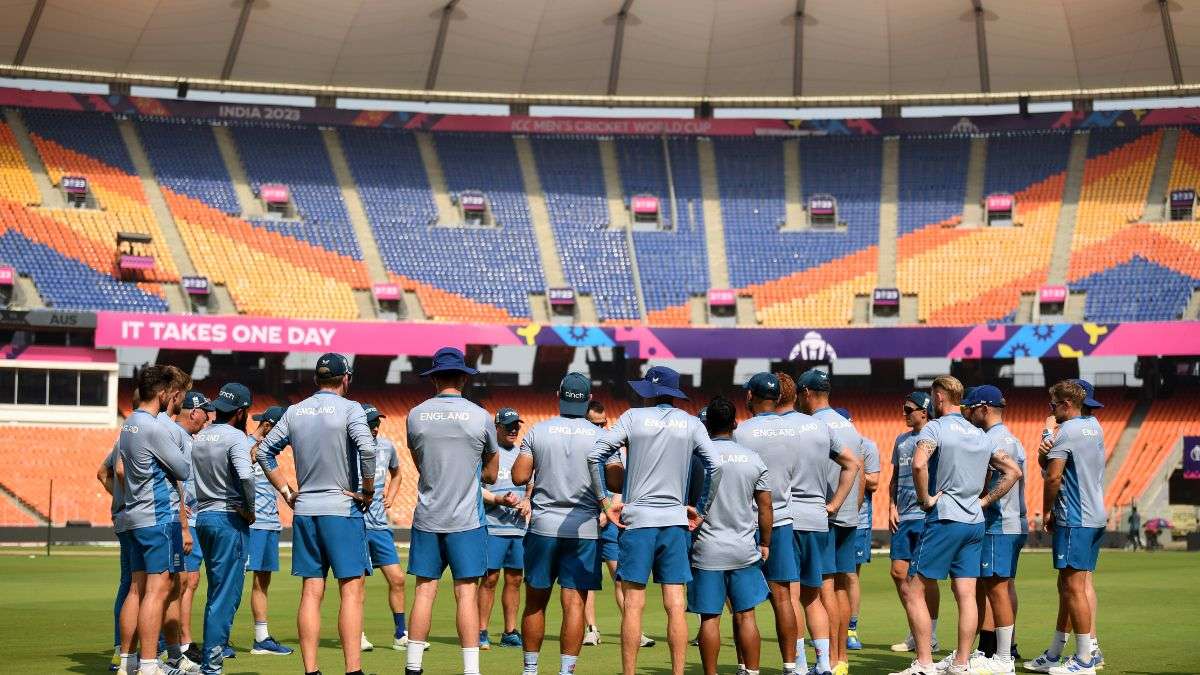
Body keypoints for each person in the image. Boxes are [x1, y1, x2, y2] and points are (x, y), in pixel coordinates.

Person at [587, 365, 720, 675]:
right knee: (675, 603)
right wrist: (700, 510)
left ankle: (629, 673)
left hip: (637, 521)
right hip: (674, 521)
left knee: (633, 604)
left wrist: (605, 502)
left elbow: (595, 455)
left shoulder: (632, 417)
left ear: (648, 391)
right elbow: (715, 466)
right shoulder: (690, 423)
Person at [889, 375, 1021, 675]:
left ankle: (924, 663)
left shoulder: (935, 427)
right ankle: (961, 663)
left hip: (945, 517)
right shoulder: (980, 434)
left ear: (938, 397)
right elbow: (1012, 471)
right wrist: (984, 501)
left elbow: (919, 463)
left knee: (913, 588)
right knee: (966, 593)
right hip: (974, 522)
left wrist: (924, 499)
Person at [257, 353, 377, 675]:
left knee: (311, 591)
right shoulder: (351, 409)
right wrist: (367, 490)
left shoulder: (295, 411)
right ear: (346, 379)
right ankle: (353, 671)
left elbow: (264, 451)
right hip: (342, 509)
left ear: (316, 380)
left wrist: (286, 492)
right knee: (351, 590)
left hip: (306, 510)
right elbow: (368, 449)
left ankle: (311, 671)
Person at [403, 347, 499, 675]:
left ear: (433, 379)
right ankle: (471, 670)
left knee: (424, 592)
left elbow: (419, 463)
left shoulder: (416, 415)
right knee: (466, 594)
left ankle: (413, 666)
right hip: (467, 520)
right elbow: (491, 474)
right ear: (462, 378)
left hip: (428, 515)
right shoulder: (480, 416)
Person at [511, 372, 604, 675]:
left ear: (558, 396)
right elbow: (617, 479)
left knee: (535, 602)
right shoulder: (601, 436)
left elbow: (519, 477)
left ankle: (530, 669)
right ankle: (566, 671)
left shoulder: (539, 431)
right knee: (574, 604)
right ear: (589, 400)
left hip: (543, 527)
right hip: (584, 529)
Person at [1024, 380, 1108, 675]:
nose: (1051, 410)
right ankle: (1061, 651)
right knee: (1074, 585)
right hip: (1095, 515)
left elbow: (1052, 477)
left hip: (1074, 516)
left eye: (1053, 405)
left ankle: (1085, 660)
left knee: (1073, 587)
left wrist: (1047, 511)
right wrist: (1050, 436)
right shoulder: (1094, 426)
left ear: (1066, 405)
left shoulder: (1067, 432)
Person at [115, 366, 192, 675]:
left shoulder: (129, 423)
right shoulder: (154, 427)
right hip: (158, 516)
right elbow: (183, 469)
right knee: (157, 591)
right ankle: (149, 665)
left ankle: (128, 661)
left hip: (134, 513)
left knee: (136, 589)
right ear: (163, 393)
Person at [688, 396, 772, 675]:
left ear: (707, 424)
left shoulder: (698, 458)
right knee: (746, 614)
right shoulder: (753, 458)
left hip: (707, 548)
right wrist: (765, 542)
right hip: (743, 548)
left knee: (710, 618)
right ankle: (753, 671)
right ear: (735, 423)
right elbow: (765, 506)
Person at [730, 373, 801, 673]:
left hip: (746, 521)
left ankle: (746, 665)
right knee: (783, 597)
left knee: (741, 603)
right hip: (782, 517)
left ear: (751, 397)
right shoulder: (794, 431)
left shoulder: (742, 432)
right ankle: (790, 665)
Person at [796, 368, 863, 675]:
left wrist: (832, 504)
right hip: (849, 515)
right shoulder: (849, 426)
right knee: (840, 587)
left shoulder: (812, 426)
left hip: (824, 514)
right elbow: (858, 468)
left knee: (823, 589)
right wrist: (851, 505)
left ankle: (832, 660)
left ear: (807, 393)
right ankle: (842, 661)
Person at [191, 382, 256, 675]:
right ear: (241, 412)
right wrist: (250, 510)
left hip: (204, 517)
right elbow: (246, 476)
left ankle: (210, 658)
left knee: (216, 591)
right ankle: (212, 665)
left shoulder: (202, 436)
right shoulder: (236, 438)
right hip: (229, 518)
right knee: (226, 594)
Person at [963, 385, 1027, 674]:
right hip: (1013, 522)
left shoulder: (992, 440)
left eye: (972, 408)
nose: (968, 413)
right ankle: (1001, 649)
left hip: (999, 523)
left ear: (984, 409)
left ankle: (1002, 657)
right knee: (1003, 585)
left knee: (996, 587)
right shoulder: (1011, 438)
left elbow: (1011, 475)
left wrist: (984, 501)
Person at [582, 400, 656, 650]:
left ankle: (633, 628)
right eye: (595, 424)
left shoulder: (612, 447)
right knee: (586, 578)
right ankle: (591, 629)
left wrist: (607, 509)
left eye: (604, 424)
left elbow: (621, 485)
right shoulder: (580, 444)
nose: (601, 428)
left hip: (611, 518)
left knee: (621, 577)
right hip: (584, 519)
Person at [887, 392, 942, 654]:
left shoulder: (934, 437)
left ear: (924, 411)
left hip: (925, 516)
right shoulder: (901, 440)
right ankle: (916, 629)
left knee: (925, 578)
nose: (904, 413)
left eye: (909, 410)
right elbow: (895, 477)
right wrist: (891, 506)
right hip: (903, 516)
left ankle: (928, 635)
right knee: (898, 573)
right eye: (903, 409)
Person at [359, 402, 409, 652]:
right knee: (357, 583)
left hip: (379, 526)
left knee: (398, 578)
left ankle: (401, 634)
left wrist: (392, 494)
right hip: (355, 526)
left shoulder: (388, 446)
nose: (375, 427)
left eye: (377, 422)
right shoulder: (349, 448)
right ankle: (357, 633)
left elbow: (397, 473)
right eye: (370, 423)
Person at [245, 406, 294, 657]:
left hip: (270, 524)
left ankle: (261, 638)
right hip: (249, 526)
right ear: (268, 427)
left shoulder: (269, 453)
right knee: (230, 582)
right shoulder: (242, 446)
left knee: (262, 582)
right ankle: (218, 640)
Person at [479, 407, 529, 650]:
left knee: (515, 579)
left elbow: (532, 484)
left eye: (516, 425)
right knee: (490, 579)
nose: (513, 430)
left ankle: (510, 631)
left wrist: (528, 501)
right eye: (508, 426)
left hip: (519, 527)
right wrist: (498, 500)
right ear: (496, 428)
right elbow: (475, 488)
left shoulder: (524, 453)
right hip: (492, 526)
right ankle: (481, 631)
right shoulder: (488, 453)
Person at [99, 389, 138, 673]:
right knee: (143, 585)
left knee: (128, 583)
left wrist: (120, 498)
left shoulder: (123, 434)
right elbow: (120, 471)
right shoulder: (138, 434)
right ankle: (142, 651)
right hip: (141, 517)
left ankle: (119, 650)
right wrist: (133, 499)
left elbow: (104, 472)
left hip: (123, 516)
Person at [174, 391, 214, 661]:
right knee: (182, 582)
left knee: (190, 581)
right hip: (183, 520)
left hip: (192, 518)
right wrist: (183, 519)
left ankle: (182, 642)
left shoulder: (187, 439)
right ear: (193, 412)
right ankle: (182, 644)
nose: (208, 417)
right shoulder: (177, 437)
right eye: (205, 412)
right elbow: (176, 480)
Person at [838, 408, 879, 653]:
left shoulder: (867, 445)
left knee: (851, 574)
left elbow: (874, 481)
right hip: (832, 519)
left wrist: (854, 471)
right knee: (830, 576)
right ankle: (835, 627)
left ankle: (851, 629)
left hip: (859, 519)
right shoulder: (828, 445)